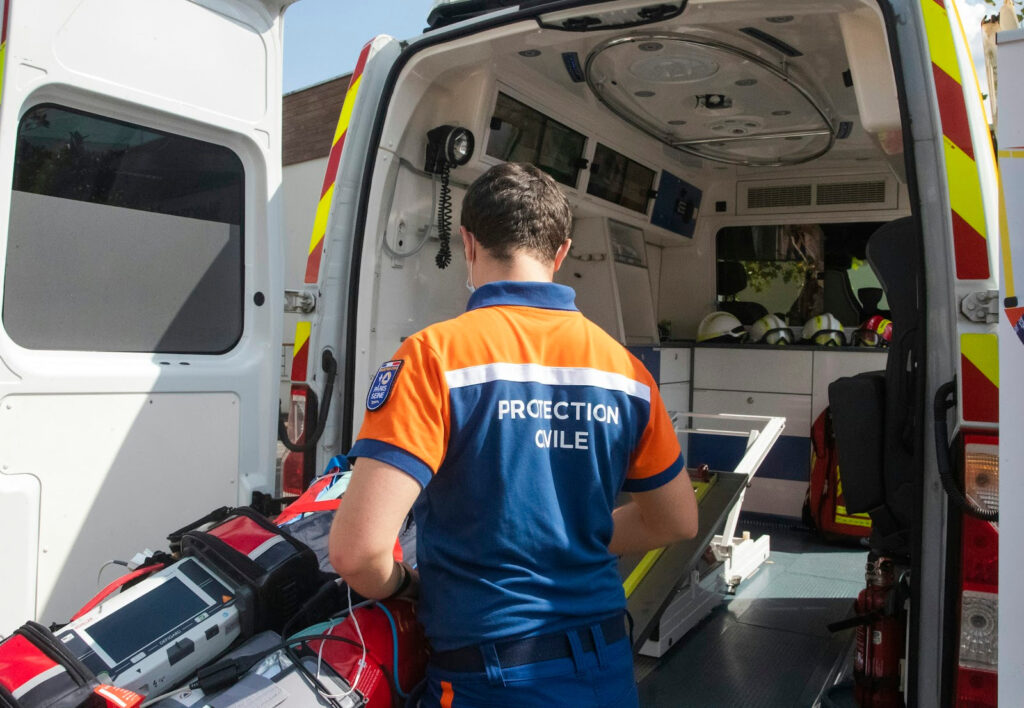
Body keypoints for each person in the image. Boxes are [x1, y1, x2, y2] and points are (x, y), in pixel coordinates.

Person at [329, 162, 698, 707]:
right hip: (606, 669)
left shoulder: (435, 357)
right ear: (562, 251)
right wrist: (567, 540)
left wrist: (408, 585)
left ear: (468, 242)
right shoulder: (626, 372)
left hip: (490, 676)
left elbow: (357, 554)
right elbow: (676, 520)